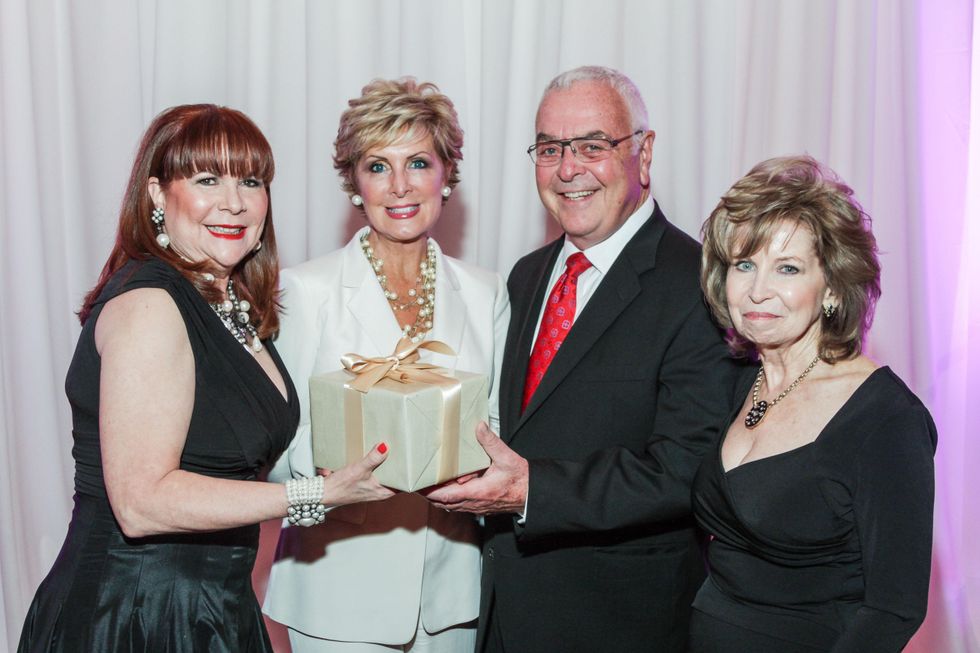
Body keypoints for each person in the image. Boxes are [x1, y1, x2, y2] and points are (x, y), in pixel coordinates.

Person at [17, 104, 394, 653]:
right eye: (207, 179)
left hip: (213, 606)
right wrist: (313, 494)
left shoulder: (229, 302)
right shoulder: (151, 302)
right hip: (134, 613)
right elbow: (142, 502)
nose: (234, 202)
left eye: (251, 180)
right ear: (155, 195)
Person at [424, 66, 742, 652]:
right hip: (502, 615)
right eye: (549, 149)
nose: (568, 168)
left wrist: (532, 492)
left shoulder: (701, 285)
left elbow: (686, 468)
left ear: (643, 154)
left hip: (620, 623)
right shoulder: (525, 274)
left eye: (592, 146)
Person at [262, 78, 509, 653]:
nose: (399, 187)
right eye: (378, 166)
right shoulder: (303, 291)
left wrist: (475, 470)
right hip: (337, 588)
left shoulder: (485, 292)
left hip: (452, 595)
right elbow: (274, 441)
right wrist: (331, 472)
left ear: (447, 174)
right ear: (354, 182)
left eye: (418, 162)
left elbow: (494, 421)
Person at [688, 155, 936, 652]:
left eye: (787, 268)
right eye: (744, 264)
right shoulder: (741, 381)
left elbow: (893, 610)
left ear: (831, 287)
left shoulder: (886, 420)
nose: (758, 290)